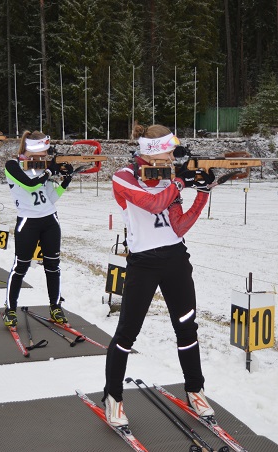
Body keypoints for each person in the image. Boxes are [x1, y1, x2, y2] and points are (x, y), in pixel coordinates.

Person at [102, 123, 217, 428]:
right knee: (128, 332)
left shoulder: (168, 178)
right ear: (153, 153)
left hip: (176, 259)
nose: (172, 159)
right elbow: (153, 203)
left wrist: (202, 192)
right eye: (168, 153)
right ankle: (113, 397)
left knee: (186, 327)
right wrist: (180, 181)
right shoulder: (125, 176)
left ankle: (195, 389)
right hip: (143, 263)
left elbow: (177, 227)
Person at [1, 130, 73, 328]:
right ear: (30, 150)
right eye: (41, 156)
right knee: (20, 267)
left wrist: (66, 180)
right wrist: (49, 171)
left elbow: (51, 197)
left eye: (46, 156)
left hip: (50, 220)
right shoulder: (13, 165)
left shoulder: (42, 168)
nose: (44, 159)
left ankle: (55, 306)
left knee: (53, 266)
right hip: (27, 222)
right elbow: (31, 186)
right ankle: (10, 309)